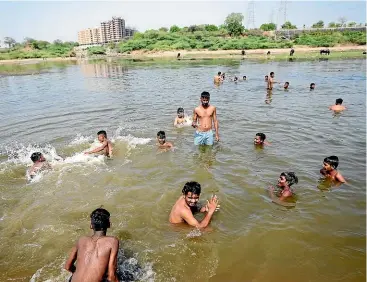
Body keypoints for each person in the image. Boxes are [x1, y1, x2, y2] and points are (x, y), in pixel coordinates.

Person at [64, 208, 119, 282]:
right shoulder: (112, 241)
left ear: (91, 226)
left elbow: (68, 267)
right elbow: (112, 277)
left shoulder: (81, 240)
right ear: (109, 224)